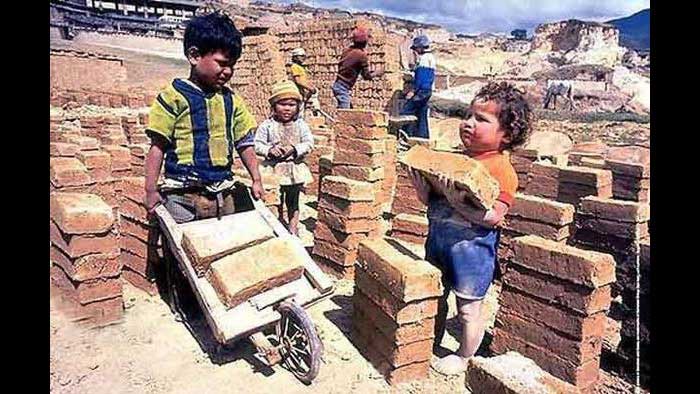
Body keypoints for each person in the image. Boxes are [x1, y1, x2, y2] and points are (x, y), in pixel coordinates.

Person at [142, 12, 264, 317]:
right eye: (222, 63)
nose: (228, 71)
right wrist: (150, 189)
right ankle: (184, 303)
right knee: (184, 253)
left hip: (222, 191)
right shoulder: (172, 98)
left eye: (232, 65)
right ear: (194, 55)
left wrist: (257, 178)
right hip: (182, 193)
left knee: (224, 248)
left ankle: (224, 297)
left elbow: (245, 142)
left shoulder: (232, 101)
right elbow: (157, 146)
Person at [409, 82, 533, 375]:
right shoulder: (455, 158)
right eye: (469, 115)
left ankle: (464, 356)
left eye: (482, 119)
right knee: (435, 295)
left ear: (507, 134)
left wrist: (458, 203)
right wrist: (422, 188)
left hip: (471, 251)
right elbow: (432, 202)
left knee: (468, 309)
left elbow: (494, 218)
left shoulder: (501, 169)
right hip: (438, 240)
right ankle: (429, 340)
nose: (468, 123)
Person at [254, 80, 314, 236]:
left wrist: (295, 149)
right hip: (273, 169)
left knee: (293, 200)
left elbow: (309, 143)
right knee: (275, 198)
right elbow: (257, 144)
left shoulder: (301, 125)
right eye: (282, 104)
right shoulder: (267, 125)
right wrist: (269, 150)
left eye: (291, 105)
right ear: (274, 106)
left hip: (294, 168)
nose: (287, 108)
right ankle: (278, 224)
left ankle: (293, 229)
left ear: (297, 107)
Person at [332, 26, 384, 108]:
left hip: (338, 84)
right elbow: (366, 76)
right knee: (345, 115)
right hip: (343, 88)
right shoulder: (361, 55)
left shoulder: (347, 50)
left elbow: (348, 66)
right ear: (365, 42)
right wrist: (377, 73)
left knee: (350, 112)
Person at [400, 34, 436, 139]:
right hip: (427, 91)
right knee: (421, 114)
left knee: (406, 112)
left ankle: (406, 137)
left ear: (420, 47)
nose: (415, 51)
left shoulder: (424, 59)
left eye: (416, 48)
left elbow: (422, 79)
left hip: (421, 92)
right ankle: (423, 138)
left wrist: (413, 91)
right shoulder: (431, 58)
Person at [289, 47, 318, 117]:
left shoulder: (301, 67)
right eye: (301, 56)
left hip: (302, 92)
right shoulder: (294, 67)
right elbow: (298, 81)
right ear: (295, 57)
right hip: (297, 92)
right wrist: (310, 88)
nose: (303, 58)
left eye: (304, 56)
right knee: (299, 113)